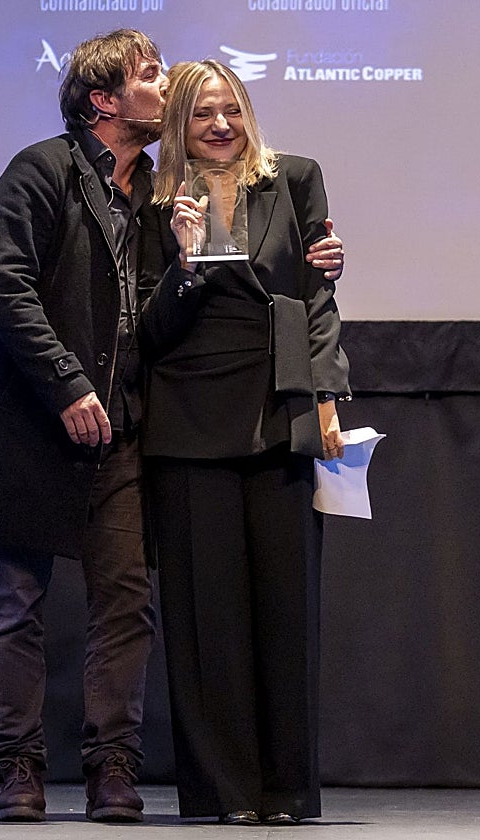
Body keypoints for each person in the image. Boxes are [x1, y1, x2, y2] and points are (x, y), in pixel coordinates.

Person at [0, 30, 346, 823]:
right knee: (16, 602)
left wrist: (318, 293)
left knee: (127, 604)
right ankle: (20, 767)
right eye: (152, 76)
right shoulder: (43, 171)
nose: (169, 89)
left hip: (126, 423)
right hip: (37, 420)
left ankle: (113, 770)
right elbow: (6, 285)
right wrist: (66, 382)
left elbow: (274, 293)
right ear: (104, 99)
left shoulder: (153, 190)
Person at [137, 59, 351, 825]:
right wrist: (184, 265)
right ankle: (222, 793)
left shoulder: (295, 178)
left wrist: (326, 396)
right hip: (188, 419)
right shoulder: (150, 199)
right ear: (178, 125)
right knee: (207, 621)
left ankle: (286, 791)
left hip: (279, 409)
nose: (220, 125)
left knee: (286, 612)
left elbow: (318, 299)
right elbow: (149, 332)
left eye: (231, 109)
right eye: (202, 114)